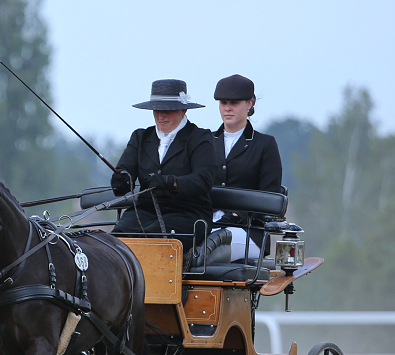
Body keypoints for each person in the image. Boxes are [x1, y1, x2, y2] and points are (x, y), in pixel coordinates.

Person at [110, 79, 216, 249]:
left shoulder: (200, 138)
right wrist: (121, 181)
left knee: (152, 239)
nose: (161, 116)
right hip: (144, 211)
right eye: (157, 110)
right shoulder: (140, 138)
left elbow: (203, 180)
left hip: (188, 214)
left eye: (168, 110)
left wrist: (171, 183)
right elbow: (125, 171)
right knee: (114, 241)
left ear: (184, 109)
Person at [211, 74, 282, 261]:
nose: (227, 108)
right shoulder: (205, 142)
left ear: (249, 104)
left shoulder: (264, 145)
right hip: (205, 224)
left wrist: (237, 215)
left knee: (213, 248)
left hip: (248, 230)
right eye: (223, 102)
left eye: (234, 103)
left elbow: (269, 195)